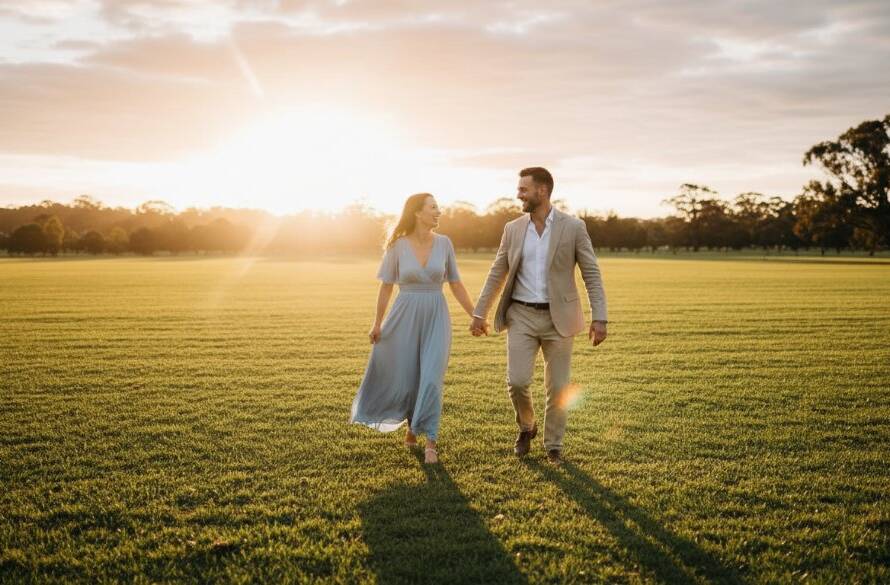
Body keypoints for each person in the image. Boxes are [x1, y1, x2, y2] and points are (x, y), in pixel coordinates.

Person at [470, 167, 608, 464]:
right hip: (521, 315)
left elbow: (591, 273)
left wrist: (600, 317)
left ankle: (554, 444)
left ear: (542, 191)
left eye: (523, 189)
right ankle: (526, 426)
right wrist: (479, 312)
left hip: (560, 318)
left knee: (558, 387)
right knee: (517, 381)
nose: (518, 194)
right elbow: (498, 271)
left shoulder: (573, 227)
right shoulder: (513, 228)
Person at [351, 193, 476, 464]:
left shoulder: (445, 244)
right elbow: (386, 286)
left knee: (431, 377)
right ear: (417, 213)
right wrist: (377, 323)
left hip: (436, 315)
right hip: (403, 314)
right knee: (408, 375)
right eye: (433, 208)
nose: (438, 212)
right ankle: (410, 426)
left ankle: (430, 440)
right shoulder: (397, 246)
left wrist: (475, 315)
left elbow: (455, 283)